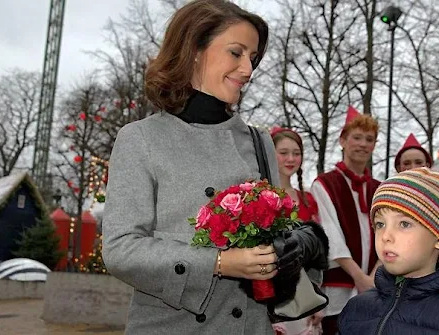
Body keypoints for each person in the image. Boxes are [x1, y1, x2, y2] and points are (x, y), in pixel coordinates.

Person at [101, 1, 328, 334]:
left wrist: (295, 246)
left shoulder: (259, 140)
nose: (248, 70)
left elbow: (276, 233)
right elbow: (121, 248)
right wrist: (220, 263)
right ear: (195, 49)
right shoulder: (140, 138)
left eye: (252, 58)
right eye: (236, 53)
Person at [338, 168, 439, 334]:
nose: (386, 236)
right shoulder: (355, 309)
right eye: (380, 224)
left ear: (438, 238)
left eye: (404, 224)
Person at [310, 106, 382, 335]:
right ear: (343, 141)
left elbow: (387, 235)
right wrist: (359, 277)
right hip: (339, 287)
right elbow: (331, 234)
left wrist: (373, 278)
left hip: (374, 286)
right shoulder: (324, 184)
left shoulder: (380, 189)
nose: (362, 144)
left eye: (369, 139)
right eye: (357, 137)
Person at [271, 127, 322, 335]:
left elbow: (318, 254)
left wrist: (318, 297)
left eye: (297, 153)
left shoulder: (308, 200)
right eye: (283, 153)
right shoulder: (258, 197)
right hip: (270, 292)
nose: (291, 158)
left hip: (304, 293)